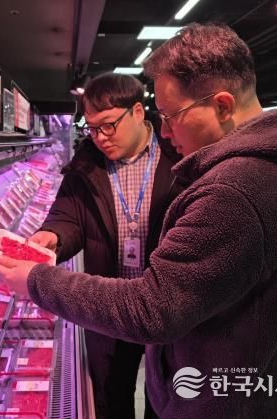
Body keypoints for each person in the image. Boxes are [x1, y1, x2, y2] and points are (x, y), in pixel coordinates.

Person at [0, 22, 277, 418]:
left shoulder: (236, 187)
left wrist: (37, 281)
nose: (164, 130)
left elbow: (154, 309)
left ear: (222, 106)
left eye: (170, 115)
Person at [28, 72, 182, 419]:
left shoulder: (179, 157)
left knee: (167, 395)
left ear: (138, 112)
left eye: (109, 125)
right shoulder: (86, 165)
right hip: (109, 306)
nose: (99, 137)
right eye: (93, 128)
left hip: (166, 306)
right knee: (111, 396)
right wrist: (52, 236)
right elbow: (67, 216)